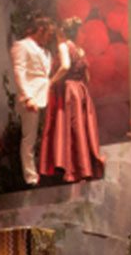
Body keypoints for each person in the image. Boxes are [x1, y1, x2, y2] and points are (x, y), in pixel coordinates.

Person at [38, 17, 105, 183]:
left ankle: (73, 170)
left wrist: (51, 81)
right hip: (81, 90)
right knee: (80, 129)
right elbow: (87, 76)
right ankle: (84, 168)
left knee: (70, 129)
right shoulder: (80, 50)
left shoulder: (63, 46)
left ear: (63, 32)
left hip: (69, 90)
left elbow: (65, 66)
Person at [11, 12, 55, 187]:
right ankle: (31, 177)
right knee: (29, 137)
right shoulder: (21, 45)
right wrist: (27, 97)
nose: (50, 37)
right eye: (48, 33)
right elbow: (19, 72)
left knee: (46, 135)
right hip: (31, 97)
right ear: (40, 30)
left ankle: (46, 170)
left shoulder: (46, 51)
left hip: (46, 96)